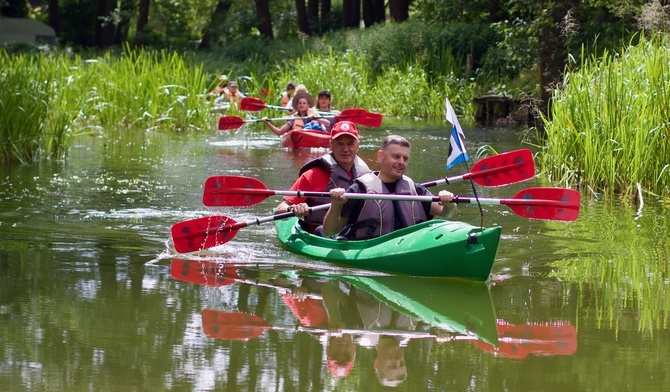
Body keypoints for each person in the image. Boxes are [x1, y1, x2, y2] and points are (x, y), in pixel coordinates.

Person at [321, 134, 456, 239]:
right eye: (396, 156)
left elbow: (445, 212)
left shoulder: (415, 189)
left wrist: (448, 202)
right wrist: (336, 205)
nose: (401, 162)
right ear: (381, 156)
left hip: (410, 246)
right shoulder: (359, 190)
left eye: (405, 158)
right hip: (371, 250)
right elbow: (330, 231)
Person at [275, 121, 370, 233]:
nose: (345, 149)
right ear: (331, 145)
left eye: (350, 144)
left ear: (357, 146)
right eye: (339, 143)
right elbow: (279, 210)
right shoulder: (312, 175)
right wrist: (292, 209)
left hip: (352, 234)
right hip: (319, 235)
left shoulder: (366, 176)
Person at [263, 92, 330, 136]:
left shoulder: (314, 114)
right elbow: (279, 132)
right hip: (299, 138)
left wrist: (316, 118)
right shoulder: (293, 118)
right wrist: (267, 123)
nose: (302, 105)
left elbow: (327, 123)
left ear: (308, 105)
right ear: (297, 105)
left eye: (304, 103)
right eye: (300, 103)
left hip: (314, 136)